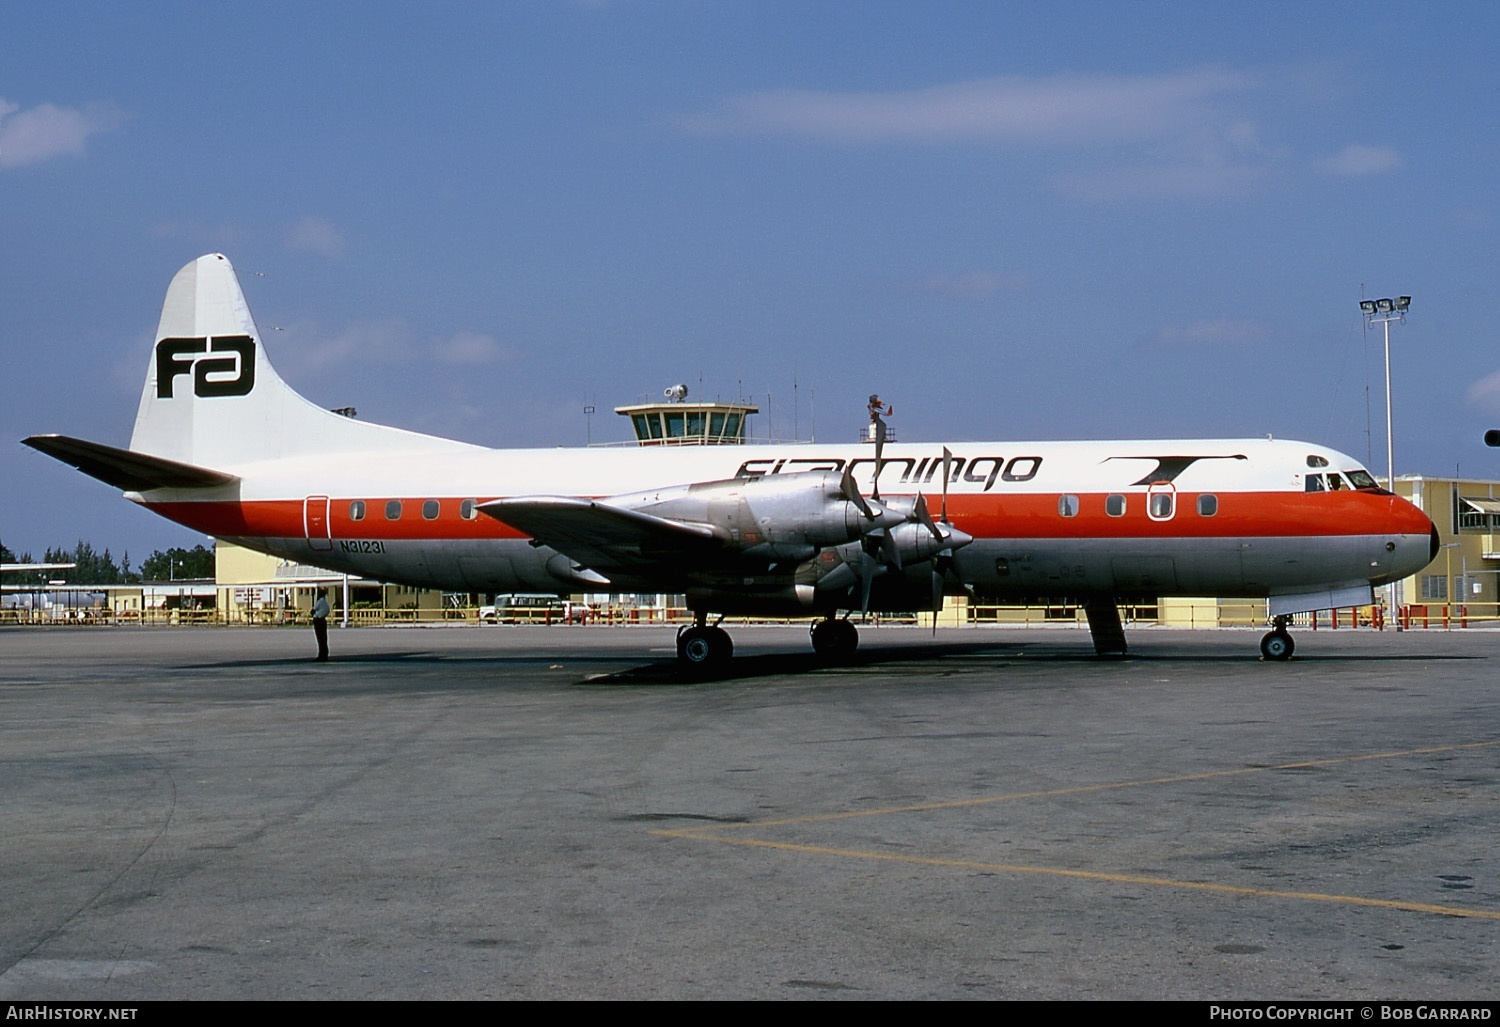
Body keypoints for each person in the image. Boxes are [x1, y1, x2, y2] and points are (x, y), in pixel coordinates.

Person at [312, 589, 330, 661]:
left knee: (320, 638)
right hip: (323, 620)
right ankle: (324, 653)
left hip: (318, 620)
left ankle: (321, 654)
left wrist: (315, 615)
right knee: (324, 638)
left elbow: (312, 610)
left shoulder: (320, 601)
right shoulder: (325, 603)